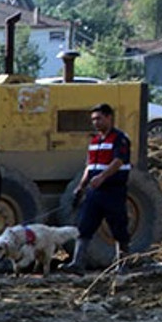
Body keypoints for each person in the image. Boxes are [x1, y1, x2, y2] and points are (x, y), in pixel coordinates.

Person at [62, 103, 131, 272]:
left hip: (113, 191)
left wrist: (102, 177)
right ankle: (77, 263)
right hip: (94, 193)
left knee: (117, 227)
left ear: (109, 117)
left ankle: (122, 263)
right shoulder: (94, 141)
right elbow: (90, 166)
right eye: (93, 119)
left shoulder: (119, 139)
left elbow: (118, 161)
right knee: (85, 226)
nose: (96, 122)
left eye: (99, 118)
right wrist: (81, 186)